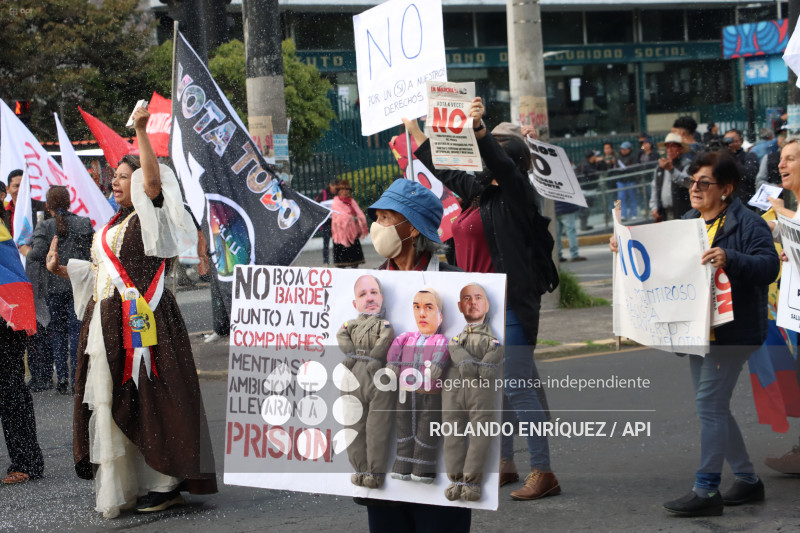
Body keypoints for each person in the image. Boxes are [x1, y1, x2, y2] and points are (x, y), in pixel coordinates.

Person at [47, 106, 217, 518]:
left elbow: (153, 181)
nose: (116, 182)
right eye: (116, 177)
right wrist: (65, 269)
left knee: (154, 396)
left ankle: (166, 482)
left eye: (124, 177)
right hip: (107, 324)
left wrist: (141, 132)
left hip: (148, 322)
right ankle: (134, 481)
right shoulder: (111, 225)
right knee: (116, 400)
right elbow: (103, 273)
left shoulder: (151, 216)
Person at [404, 100, 561, 503]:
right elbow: (444, 169)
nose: (478, 158)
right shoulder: (480, 196)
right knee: (498, 392)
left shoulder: (517, 195)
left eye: (487, 151)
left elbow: (505, 168)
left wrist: (479, 130)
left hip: (510, 305)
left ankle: (543, 471)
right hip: (476, 312)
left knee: (518, 387)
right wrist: (415, 129)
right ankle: (506, 463)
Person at [615, 150, 779, 517]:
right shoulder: (689, 220)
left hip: (734, 334)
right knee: (715, 408)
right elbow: (659, 262)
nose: (694, 188)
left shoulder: (747, 223)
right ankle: (748, 480)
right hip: (696, 331)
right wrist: (624, 249)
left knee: (709, 405)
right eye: (691, 181)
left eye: (704, 182)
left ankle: (706, 489)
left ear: (726, 189)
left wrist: (730, 258)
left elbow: (768, 267)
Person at [359, 178, 470, 533]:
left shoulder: (461, 287)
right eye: (377, 217)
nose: (378, 227)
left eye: (388, 218)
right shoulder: (368, 290)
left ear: (412, 229)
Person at [20, 186, 93, 394]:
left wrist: (24, 249)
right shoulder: (83, 223)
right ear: (70, 203)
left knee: (57, 334)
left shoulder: (44, 226)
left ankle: (61, 377)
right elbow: (92, 252)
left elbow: (38, 255)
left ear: (48, 206)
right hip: (78, 284)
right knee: (77, 333)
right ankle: (76, 379)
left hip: (53, 288)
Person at [443, 283, 502, 502]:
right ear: (459, 306)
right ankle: (456, 480)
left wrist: (488, 364)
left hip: (481, 391)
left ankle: (472, 482)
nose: (473, 302)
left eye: (478, 298)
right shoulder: (456, 338)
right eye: (467, 299)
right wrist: (465, 360)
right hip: (454, 391)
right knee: (452, 434)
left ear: (487, 304)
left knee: (481, 434)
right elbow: (452, 346)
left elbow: (497, 350)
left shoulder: (492, 338)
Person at [336, 274, 395, 489]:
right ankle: (360, 469)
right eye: (363, 294)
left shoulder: (384, 324)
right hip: (352, 375)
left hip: (376, 374)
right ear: (355, 303)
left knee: (377, 428)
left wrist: (375, 357)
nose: (369, 298)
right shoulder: (350, 324)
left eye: (373, 293)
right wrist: (350, 353)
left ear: (381, 296)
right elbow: (340, 334)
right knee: (353, 426)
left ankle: (374, 472)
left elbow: (385, 339)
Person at [386, 288, 450, 483]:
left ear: (440, 314)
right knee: (404, 429)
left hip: (430, 395)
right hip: (405, 394)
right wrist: (392, 366)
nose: (421, 313)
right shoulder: (407, 337)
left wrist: (435, 369)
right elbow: (395, 350)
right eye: (417, 307)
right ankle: (402, 465)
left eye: (428, 307)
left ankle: (423, 468)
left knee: (426, 431)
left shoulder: (440, 340)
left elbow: (441, 356)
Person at [763, 139, 800, 474]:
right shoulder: (794, 207)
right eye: (781, 160)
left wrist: (779, 212)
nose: (782, 165)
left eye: (790, 159)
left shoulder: (789, 209)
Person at [0, 217, 45, 484]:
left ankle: (27, 462)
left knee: (11, 393)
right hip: (8, 317)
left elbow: (11, 276)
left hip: (5, 320)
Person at [5, 169, 53, 392]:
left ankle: (42, 374)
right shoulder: (4, 213)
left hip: (35, 276)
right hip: (10, 280)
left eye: (24, 185)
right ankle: (28, 374)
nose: (20, 189)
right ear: (8, 189)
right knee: (18, 327)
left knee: (39, 326)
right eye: (16, 186)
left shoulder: (38, 211)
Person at [650, 132, 692, 222]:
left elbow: (688, 183)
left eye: (673, 146)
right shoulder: (659, 169)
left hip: (684, 213)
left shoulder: (686, 165)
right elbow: (655, 189)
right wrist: (654, 208)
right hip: (664, 214)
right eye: (668, 147)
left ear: (680, 149)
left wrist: (672, 170)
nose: (669, 150)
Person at [331, 179, 368, 268]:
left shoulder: (352, 201)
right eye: (342, 190)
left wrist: (358, 219)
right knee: (341, 262)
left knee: (355, 261)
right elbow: (339, 217)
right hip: (341, 235)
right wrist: (351, 218)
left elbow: (360, 214)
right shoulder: (336, 203)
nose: (345, 192)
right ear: (339, 192)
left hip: (352, 233)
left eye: (347, 190)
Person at [723, 129, 759, 206]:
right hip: (724, 201)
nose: (729, 144)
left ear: (741, 141)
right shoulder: (721, 158)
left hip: (743, 201)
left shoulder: (749, 156)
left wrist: (732, 156)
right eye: (726, 141)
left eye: (732, 140)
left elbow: (749, 174)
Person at [315, 180, 338, 265]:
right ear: (329, 185)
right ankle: (326, 261)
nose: (334, 187)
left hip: (336, 221)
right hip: (327, 222)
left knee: (336, 242)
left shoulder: (338, 194)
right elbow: (317, 204)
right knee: (326, 242)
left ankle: (337, 260)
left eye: (336, 186)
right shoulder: (324, 193)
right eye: (333, 185)